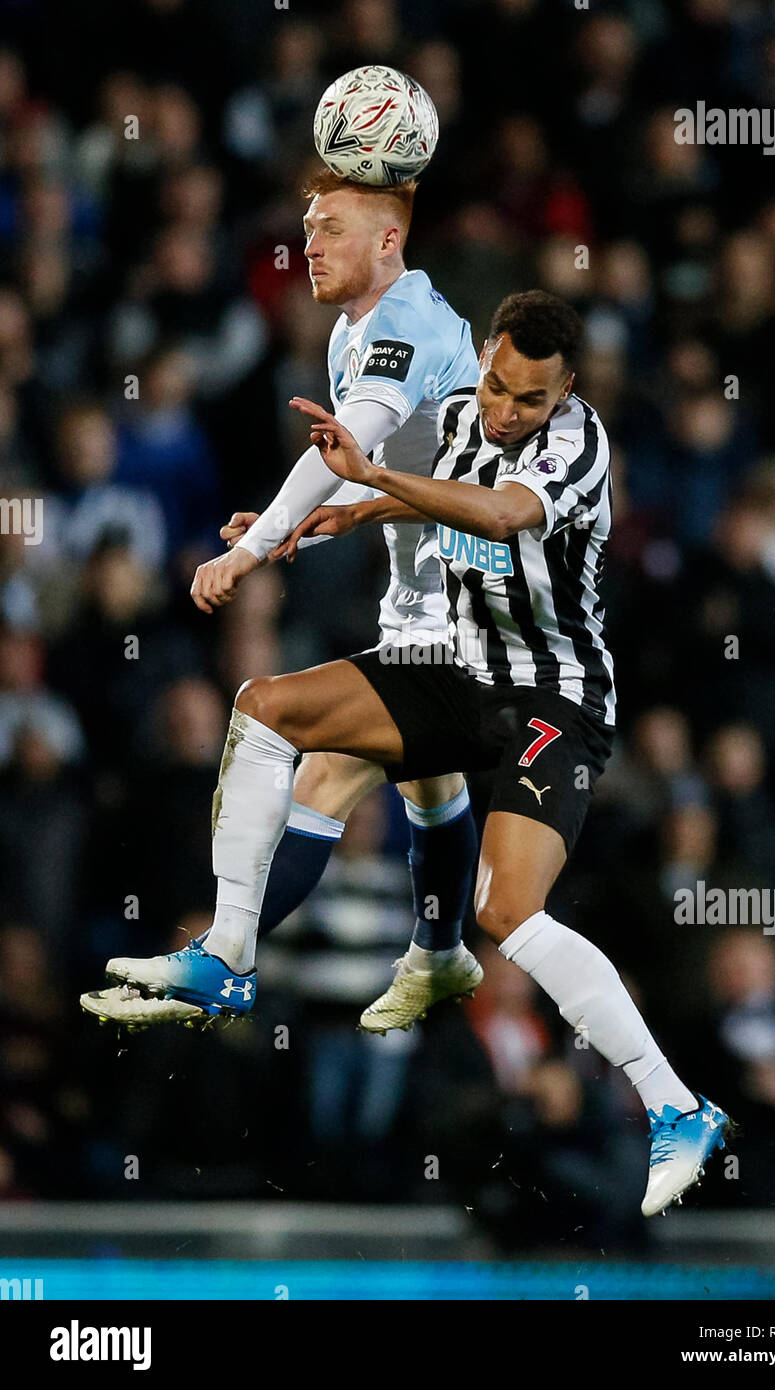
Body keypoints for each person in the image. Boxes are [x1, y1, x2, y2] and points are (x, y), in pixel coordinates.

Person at [98, 290, 729, 1217]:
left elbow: (501, 514)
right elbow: (422, 503)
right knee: (267, 706)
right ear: (484, 357)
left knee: (508, 910)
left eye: (534, 400)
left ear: (569, 392)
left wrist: (379, 484)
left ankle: (678, 1105)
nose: (510, 412)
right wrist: (344, 516)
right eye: (501, 388)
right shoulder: (464, 414)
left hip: (550, 700)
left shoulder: (580, 449)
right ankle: (227, 955)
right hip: (454, 670)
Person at [82, 170, 483, 1031]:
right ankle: (443, 952)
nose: (309, 244)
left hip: (469, 627)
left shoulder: (408, 320)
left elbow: (357, 445)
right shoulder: (352, 336)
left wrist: (254, 549)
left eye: (331, 227)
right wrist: (329, 520)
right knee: (386, 782)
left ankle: (225, 958)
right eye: (306, 227)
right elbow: (398, 473)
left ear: (387, 239)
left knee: (265, 712)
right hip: (428, 615)